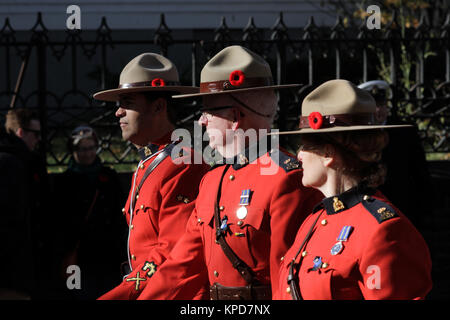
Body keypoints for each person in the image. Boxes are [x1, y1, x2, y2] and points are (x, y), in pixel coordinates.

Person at [137, 45, 321, 300]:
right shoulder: (212, 180)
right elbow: (183, 266)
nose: (201, 121)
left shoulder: (286, 178)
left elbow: (288, 278)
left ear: (234, 117)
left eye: (208, 111)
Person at [273, 79, 432, 300]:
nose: (298, 155)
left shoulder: (382, 231)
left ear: (328, 154)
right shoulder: (314, 220)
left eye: (305, 146)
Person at [93, 53, 210, 300]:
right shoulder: (152, 161)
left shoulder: (182, 162)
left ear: (158, 106)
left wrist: (120, 295)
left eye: (127, 103)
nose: (118, 113)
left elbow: (172, 253)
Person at [53, 125, 127, 299]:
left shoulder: (108, 176)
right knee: (77, 294)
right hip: (77, 255)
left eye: (91, 148)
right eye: (82, 149)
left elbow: (119, 212)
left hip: (107, 254)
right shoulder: (65, 181)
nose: (87, 153)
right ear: (73, 150)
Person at [358, 80, 433, 235]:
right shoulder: (358, 133)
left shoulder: (405, 131)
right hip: (368, 202)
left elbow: (419, 168)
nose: (378, 111)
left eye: (382, 105)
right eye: (374, 107)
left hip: (402, 200)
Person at [1, 108, 51, 299]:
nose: (38, 139)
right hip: (13, 270)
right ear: (21, 132)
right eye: (36, 134)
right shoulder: (12, 164)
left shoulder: (22, 161)